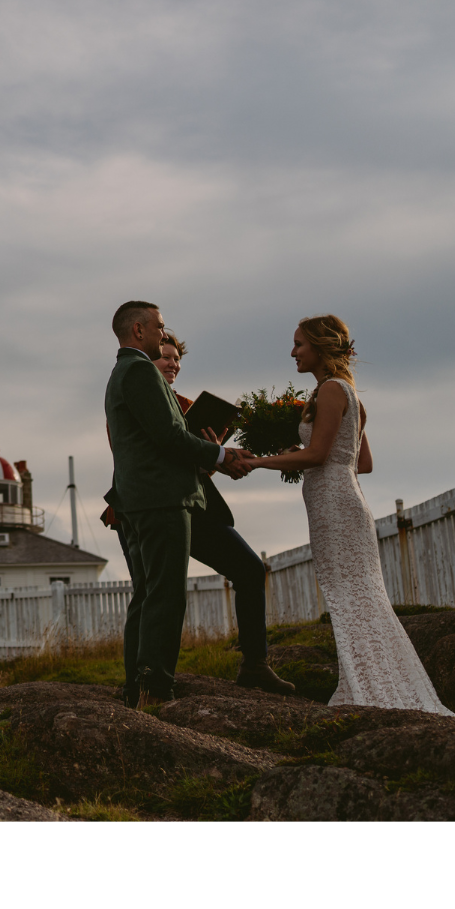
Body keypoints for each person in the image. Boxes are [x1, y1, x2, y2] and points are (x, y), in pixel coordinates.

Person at [232, 315, 452, 714]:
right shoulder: (345, 392)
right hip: (344, 496)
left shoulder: (331, 390)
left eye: (299, 344)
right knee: (357, 597)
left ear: (319, 346)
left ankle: (372, 693)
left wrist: (260, 461)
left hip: (334, 503)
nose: (293, 352)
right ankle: (368, 685)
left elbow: (317, 455)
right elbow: (362, 462)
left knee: (350, 597)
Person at [103, 302, 295, 705]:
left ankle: (138, 686)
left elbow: (161, 441)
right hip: (161, 499)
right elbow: (168, 438)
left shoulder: (126, 372)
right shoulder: (138, 371)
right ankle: (154, 686)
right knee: (165, 594)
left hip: (146, 499)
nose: (163, 332)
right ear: (139, 330)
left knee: (150, 593)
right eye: (159, 326)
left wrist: (215, 455)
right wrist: (220, 455)